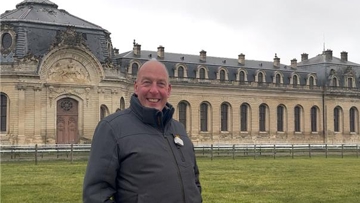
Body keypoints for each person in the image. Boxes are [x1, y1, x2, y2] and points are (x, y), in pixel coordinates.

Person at [83, 60, 202, 203]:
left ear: (168, 90)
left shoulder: (179, 129)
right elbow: (96, 196)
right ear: (136, 87)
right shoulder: (112, 128)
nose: (154, 90)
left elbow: (193, 181)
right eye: (147, 83)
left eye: (161, 84)